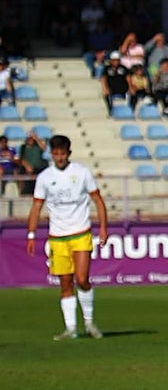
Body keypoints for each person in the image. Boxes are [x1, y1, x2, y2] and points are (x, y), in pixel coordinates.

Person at [25, 135, 109, 340]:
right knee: (65, 283)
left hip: (81, 233)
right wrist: (31, 234)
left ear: (69, 154)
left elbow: (97, 200)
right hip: (58, 237)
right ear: (51, 154)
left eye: (63, 154)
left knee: (82, 279)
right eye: (56, 154)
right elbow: (37, 206)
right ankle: (71, 329)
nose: (60, 158)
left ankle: (89, 322)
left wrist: (104, 228)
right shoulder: (44, 177)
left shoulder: (82, 173)